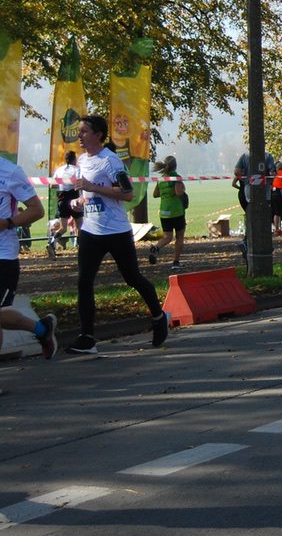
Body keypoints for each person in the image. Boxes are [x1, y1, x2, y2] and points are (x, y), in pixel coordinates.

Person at [65, 115, 168, 354]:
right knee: (84, 281)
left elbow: (128, 193)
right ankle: (87, 337)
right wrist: (79, 202)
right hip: (90, 230)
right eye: (79, 131)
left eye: (84, 131)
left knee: (132, 278)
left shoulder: (110, 160)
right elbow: (88, 194)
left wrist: (93, 187)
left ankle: (158, 316)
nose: (79, 135)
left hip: (116, 230)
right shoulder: (82, 160)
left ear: (98, 135)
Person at [1, 157, 58, 366]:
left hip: (3, 255)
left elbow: (36, 210)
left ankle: (42, 329)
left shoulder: (10, 172)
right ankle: (42, 329)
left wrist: (7, 223)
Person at [148, 155, 186, 271]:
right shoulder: (176, 177)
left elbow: (155, 194)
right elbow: (178, 193)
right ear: (175, 166)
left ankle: (156, 247)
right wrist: (183, 189)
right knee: (179, 237)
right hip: (176, 211)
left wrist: (165, 193)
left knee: (167, 237)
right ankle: (176, 262)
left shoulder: (161, 179)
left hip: (164, 213)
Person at [51, 150, 81, 254]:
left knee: (63, 228)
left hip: (62, 199)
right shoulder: (77, 170)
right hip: (74, 199)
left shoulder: (59, 170)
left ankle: (52, 242)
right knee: (80, 225)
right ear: (74, 159)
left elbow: (52, 185)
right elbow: (80, 183)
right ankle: (80, 247)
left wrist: (62, 185)